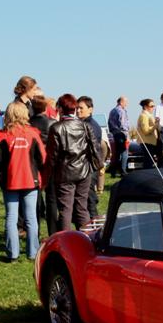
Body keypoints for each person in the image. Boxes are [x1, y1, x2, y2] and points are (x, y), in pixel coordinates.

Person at [0, 102, 46, 261]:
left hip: (10, 182)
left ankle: (13, 253)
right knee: (31, 216)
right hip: (31, 181)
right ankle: (32, 252)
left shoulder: (3, 135)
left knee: (11, 217)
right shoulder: (33, 133)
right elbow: (42, 158)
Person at [47, 93, 102, 231]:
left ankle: (66, 243)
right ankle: (87, 239)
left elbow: (52, 156)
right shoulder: (85, 126)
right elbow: (95, 148)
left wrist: (49, 174)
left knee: (66, 210)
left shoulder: (56, 128)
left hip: (65, 174)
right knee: (81, 208)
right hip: (84, 172)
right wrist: (96, 167)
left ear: (60, 109)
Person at [29, 95, 59, 234]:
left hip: (33, 163)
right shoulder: (52, 123)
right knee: (51, 199)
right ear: (46, 107)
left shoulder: (28, 124)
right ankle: (52, 232)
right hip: (49, 162)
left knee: (35, 200)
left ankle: (35, 232)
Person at [76, 96, 104, 217]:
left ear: (90, 109)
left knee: (89, 200)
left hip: (89, 167)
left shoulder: (91, 125)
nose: (78, 111)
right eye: (77, 108)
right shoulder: (83, 123)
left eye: (81, 108)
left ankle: (94, 227)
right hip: (85, 167)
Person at [108, 95, 130, 177]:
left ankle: (113, 172)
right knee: (124, 153)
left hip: (114, 134)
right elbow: (123, 124)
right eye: (126, 102)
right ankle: (123, 171)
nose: (126, 104)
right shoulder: (121, 111)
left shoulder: (112, 110)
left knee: (116, 154)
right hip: (121, 133)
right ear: (121, 102)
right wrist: (127, 132)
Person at [136, 98, 159, 168]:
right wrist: (156, 125)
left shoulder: (149, 115)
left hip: (150, 142)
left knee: (150, 161)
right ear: (145, 107)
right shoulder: (144, 116)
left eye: (154, 106)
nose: (153, 108)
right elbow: (146, 131)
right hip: (147, 142)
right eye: (151, 106)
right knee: (148, 162)